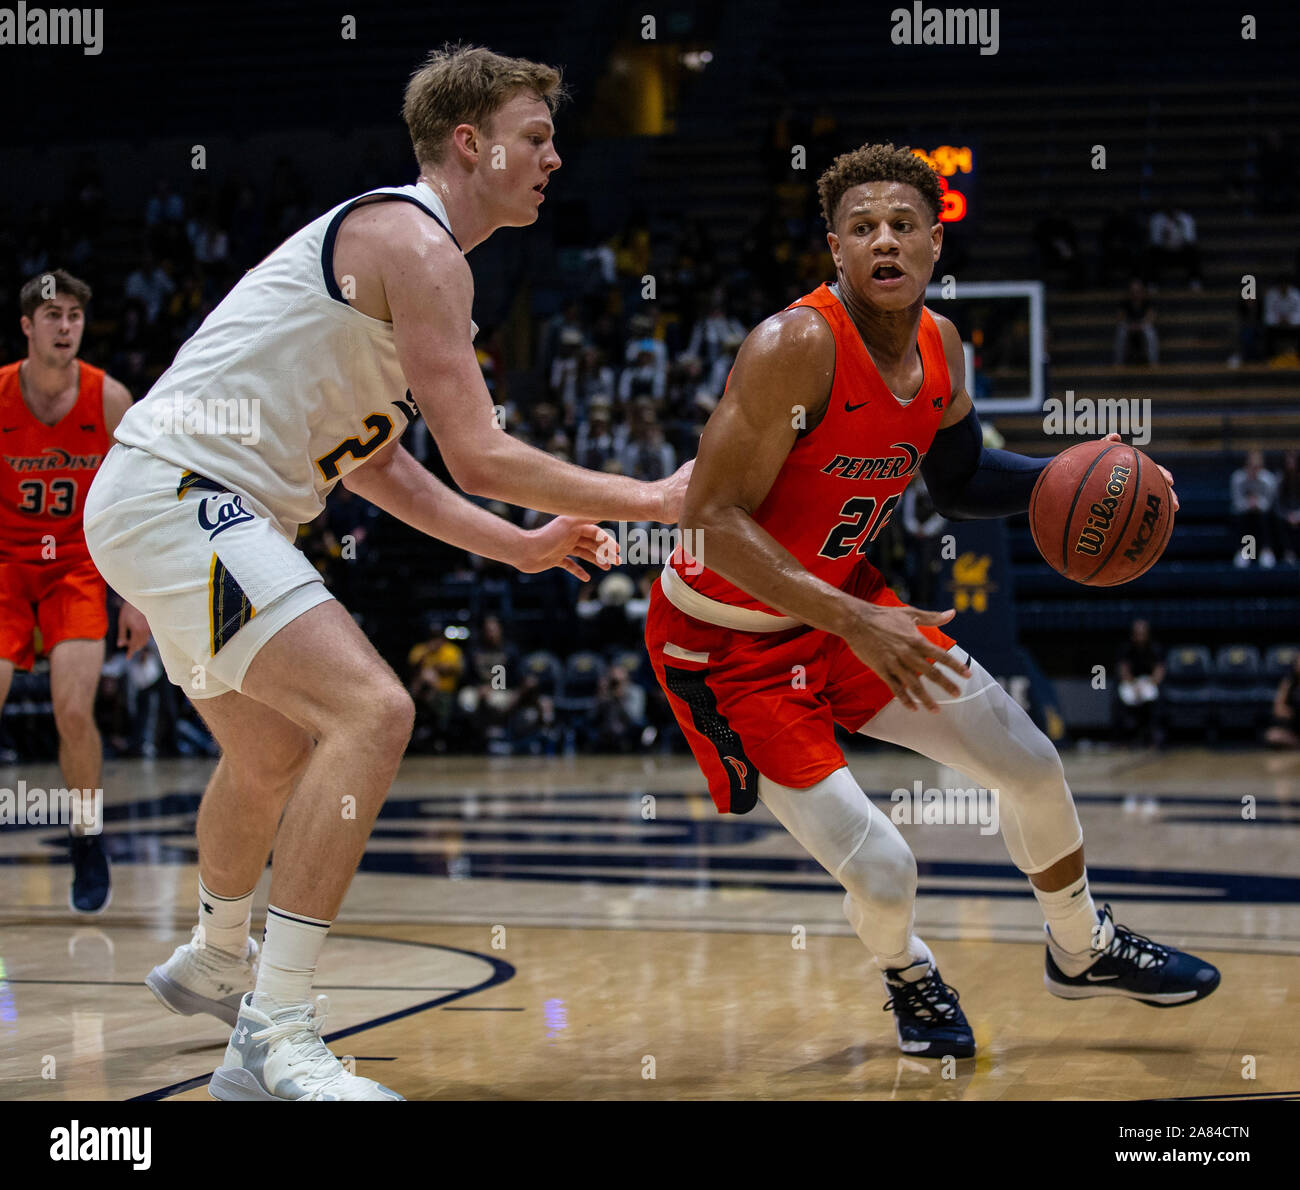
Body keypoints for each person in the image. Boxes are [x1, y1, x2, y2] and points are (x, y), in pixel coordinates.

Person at [84, 44, 689, 1102]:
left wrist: (522, 543)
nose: (553, 157)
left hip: (165, 501)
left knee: (271, 749)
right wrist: (648, 497)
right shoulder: (416, 242)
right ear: (471, 141)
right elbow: (483, 454)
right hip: (183, 493)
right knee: (372, 711)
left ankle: (223, 953)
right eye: (535, 137)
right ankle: (276, 1032)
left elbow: (379, 465)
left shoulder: (408, 258)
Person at [646, 142, 1218, 1062]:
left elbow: (958, 480)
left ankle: (1081, 946)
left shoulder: (942, 346)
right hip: (728, 647)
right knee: (883, 866)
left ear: (933, 246)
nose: (884, 241)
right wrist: (856, 620)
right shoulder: (794, 347)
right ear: (834, 250)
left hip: (847, 612)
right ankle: (909, 973)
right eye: (862, 227)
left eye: (904, 225)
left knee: (1030, 764)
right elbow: (710, 520)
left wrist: (1093, 479)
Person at [0, 269, 151, 913]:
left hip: (77, 566)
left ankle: (86, 836)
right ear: (27, 326)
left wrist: (136, 593)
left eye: (75, 316)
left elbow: (141, 495)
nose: (65, 327)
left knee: (71, 708)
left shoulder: (109, 397)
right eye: (52, 315)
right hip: (6, 565)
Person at [1116, 619, 1165, 747]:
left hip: (1148, 682)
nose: (1139, 636)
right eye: (1137, 633)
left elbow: (1159, 672)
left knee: (1150, 696)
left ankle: (1151, 734)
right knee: (1125, 696)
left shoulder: (1154, 648)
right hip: (1132, 683)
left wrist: (1147, 683)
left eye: (1142, 633)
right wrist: (1134, 684)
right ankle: (1128, 736)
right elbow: (1123, 671)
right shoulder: (1126, 648)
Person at [1230, 449, 1279, 568]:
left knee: (1264, 517)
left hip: (1263, 515)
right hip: (1244, 514)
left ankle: (1266, 551)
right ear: (1246, 465)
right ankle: (1247, 552)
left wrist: (1258, 503)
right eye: (1251, 466)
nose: (1254, 470)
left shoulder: (1268, 480)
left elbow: (1269, 502)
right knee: (1244, 517)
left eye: (1257, 467)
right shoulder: (1238, 478)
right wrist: (1248, 504)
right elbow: (1236, 502)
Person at [1113, 277, 1158, 366]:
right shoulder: (1124, 302)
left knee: (1150, 332)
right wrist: (1130, 325)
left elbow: (1151, 317)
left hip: (1142, 325)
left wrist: (1140, 325)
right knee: (1121, 331)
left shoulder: (1147, 302)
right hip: (1128, 325)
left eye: (1137, 291)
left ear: (1142, 291)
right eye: (1133, 291)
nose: (1135, 294)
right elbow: (1119, 318)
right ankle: (1118, 362)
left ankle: (1153, 362)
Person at [1264, 653, 1300, 748]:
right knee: (1272, 736)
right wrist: (1294, 714)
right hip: (1294, 726)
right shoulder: (1289, 683)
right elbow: (1278, 708)